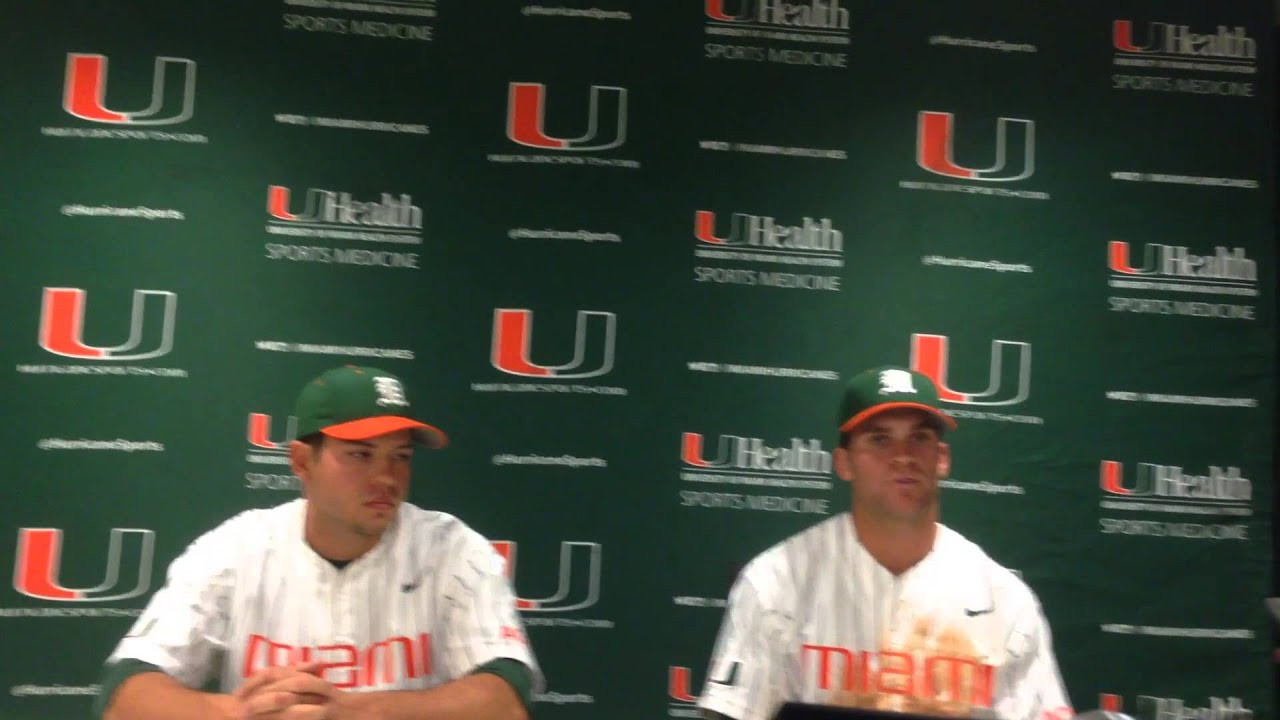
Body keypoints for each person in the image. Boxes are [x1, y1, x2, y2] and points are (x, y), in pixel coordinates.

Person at [94, 365, 539, 720]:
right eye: (361, 455)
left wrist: (354, 712)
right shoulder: (235, 549)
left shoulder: (456, 552)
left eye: (400, 457)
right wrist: (238, 713)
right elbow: (125, 695)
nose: (386, 477)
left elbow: (505, 701)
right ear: (302, 461)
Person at [697, 366, 1072, 720]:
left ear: (942, 459)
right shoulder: (775, 584)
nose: (903, 456)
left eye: (920, 438)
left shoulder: (1005, 602)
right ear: (844, 463)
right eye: (880, 439)